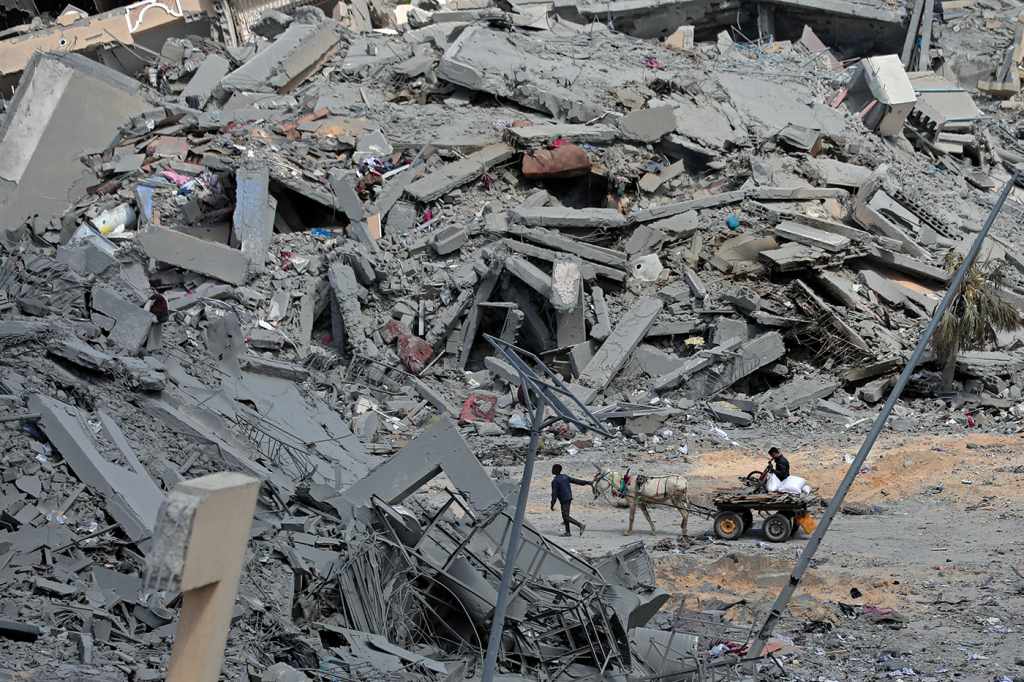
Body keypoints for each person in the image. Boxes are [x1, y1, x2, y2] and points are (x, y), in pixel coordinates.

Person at [550, 464, 588, 537]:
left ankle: (580, 525)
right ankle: (568, 532)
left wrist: (552, 505)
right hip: (568, 498)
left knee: (566, 516)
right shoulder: (565, 476)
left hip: (564, 500)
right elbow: (576, 481)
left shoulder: (555, 481)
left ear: (555, 470)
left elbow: (554, 495)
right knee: (565, 516)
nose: (552, 470)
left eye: (553, 469)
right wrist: (587, 482)